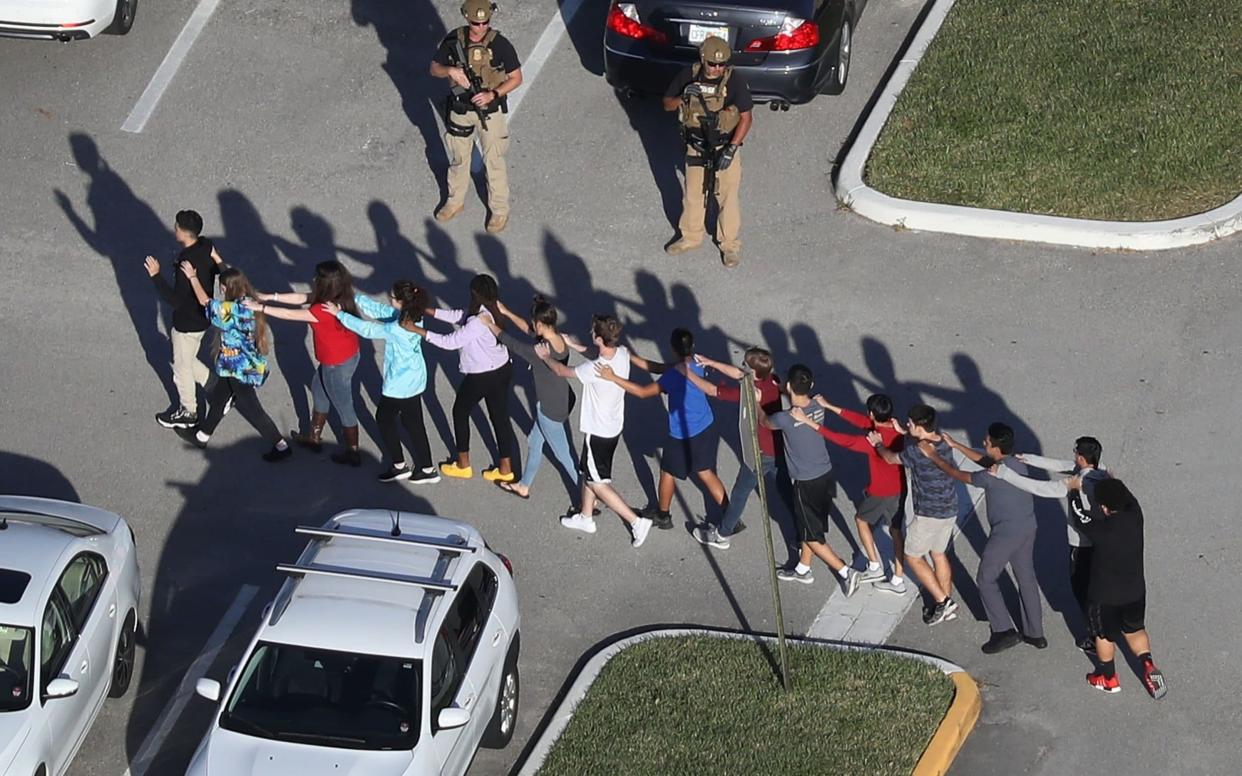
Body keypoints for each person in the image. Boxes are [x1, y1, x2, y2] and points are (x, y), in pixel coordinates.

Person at [923, 424, 1046, 653]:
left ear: (997, 448)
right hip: (1028, 526)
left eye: (987, 442)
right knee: (1026, 577)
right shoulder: (1017, 463)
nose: (983, 443)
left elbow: (958, 474)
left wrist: (933, 456)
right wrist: (956, 445)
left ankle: (1003, 631)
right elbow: (985, 460)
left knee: (986, 579)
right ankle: (1035, 633)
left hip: (1005, 533)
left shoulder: (990, 476)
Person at [536, 315, 653, 547]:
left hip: (597, 431)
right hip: (612, 427)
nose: (590, 334)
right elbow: (596, 354)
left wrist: (546, 356)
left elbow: (561, 371)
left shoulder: (593, 369)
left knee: (598, 482)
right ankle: (586, 517)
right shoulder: (621, 353)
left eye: (593, 333)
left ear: (599, 338)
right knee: (588, 473)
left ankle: (635, 521)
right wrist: (574, 345)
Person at [599, 329, 728, 532]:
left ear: (671, 348)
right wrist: (629, 356)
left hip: (682, 435)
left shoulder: (673, 375)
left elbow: (643, 392)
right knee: (705, 472)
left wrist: (613, 377)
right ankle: (730, 516)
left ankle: (663, 515)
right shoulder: (696, 363)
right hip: (704, 426)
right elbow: (658, 367)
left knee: (667, 471)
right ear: (691, 346)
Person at [992, 436, 1109, 654]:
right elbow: (1061, 465)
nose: (1073, 457)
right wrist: (1030, 459)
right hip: (1103, 543)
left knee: (1083, 593)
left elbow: (1039, 488)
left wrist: (1005, 474)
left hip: (1081, 547)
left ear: (1081, 458)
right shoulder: (1101, 471)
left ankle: (1095, 638)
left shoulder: (1076, 485)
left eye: (1076, 453)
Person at [788, 393, 908, 594]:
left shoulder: (873, 440)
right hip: (900, 488)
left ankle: (874, 566)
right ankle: (897, 580)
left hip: (881, 492)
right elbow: (860, 421)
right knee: (896, 531)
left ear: (871, 413)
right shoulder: (896, 429)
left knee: (861, 520)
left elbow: (841, 440)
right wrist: (829, 405)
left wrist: (807, 421)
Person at [173, 263, 291, 462]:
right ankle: (202, 436)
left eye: (222, 286)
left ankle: (281, 445)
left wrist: (193, 277)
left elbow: (205, 302)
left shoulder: (229, 310)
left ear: (226, 288)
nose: (221, 289)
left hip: (237, 370)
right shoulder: (249, 302)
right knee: (219, 399)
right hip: (247, 364)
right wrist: (218, 258)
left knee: (255, 411)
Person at [248, 261, 362, 465]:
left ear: (325, 283)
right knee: (319, 391)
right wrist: (270, 296)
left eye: (317, 277)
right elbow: (303, 298)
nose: (313, 280)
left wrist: (260, 307)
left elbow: (291, 313)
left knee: (344, 406)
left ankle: (353, 452)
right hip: (347, 355)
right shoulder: (340, 295)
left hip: (335, 363)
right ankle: (314, 438)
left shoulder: (321, 310)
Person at [325, 282, 439, 484]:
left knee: (384, 419)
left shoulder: (397, 327)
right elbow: (381, 311)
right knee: (415, 424)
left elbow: (367, 330)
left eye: (392, 297)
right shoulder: (413, 316)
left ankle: (399, 465)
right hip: (415, 379)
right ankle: (428, 468)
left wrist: (339, 314)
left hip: (399, 384)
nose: (389, 299)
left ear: (402, 302)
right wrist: (356, 299)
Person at [406, 274, 516, 482]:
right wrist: (428, 310)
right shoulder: (491, 310)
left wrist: (417, 330)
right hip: (502, 369)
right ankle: (505, 468)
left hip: (483, 375)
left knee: (460, 411)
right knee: (499, 417)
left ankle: (463, 464)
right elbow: (458, 316)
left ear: (475, 295)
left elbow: (450, 342)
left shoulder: (476, 321)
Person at [764, 366, 859, 596]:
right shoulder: (818, 406)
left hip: (805, 481)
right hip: (824, 474)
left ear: (788, 386)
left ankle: (845, 571)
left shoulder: (784, 418)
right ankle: (803, 568)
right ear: (812, 386)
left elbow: (766, 422)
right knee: (810, 526)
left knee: (811, 535)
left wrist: (760, 401)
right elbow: (799, 402)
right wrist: (784, 389)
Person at [430, 0, 523, 234]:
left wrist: (493, 93)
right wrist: (450, 71)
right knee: (459, 158)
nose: (481, 27)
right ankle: (454, 201)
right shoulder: (454, 40)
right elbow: (434, 68)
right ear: (466, 18)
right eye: (475, 22)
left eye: (485, 22)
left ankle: (499, 210)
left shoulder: (500, 44)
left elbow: (516, 78)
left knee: (494, 162)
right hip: (460, 110)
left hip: (489, 113)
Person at [1070, 478, 1166, 698]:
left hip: (1105, 597)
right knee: (1134, 629)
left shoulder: (1100, 530)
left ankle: (1108, 677)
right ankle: (1147, 662)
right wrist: (1113, 481)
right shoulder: (1136, 516)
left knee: (1103, 635)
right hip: (1134, 592)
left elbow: (1079, 517)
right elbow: (1127, 496)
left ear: (1104, 507)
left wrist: (1074, 492)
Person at [479, 296, 580, 505]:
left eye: (535, 323)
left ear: (541, 324)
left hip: (549, 409)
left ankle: (587, 498)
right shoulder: (559, 339)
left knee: (564, 455)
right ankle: (523, 485)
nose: (532, 326)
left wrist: (490, 324)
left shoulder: (540, 352)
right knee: (534, 441)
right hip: (563, 400)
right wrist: (506, 312)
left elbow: (512, 343)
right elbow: (528, 330)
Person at [662, 36, 753, 267]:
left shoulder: (734, 81)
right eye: (712, 63)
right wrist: (684, 94)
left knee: (727, 196)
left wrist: (731, 149)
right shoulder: (688, 75)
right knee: (693, 193)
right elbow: (666, 104)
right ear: (703, 59)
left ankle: (729, 245)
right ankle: (690, 237)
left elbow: (746, 118)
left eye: (721, 64)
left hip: (724, 145)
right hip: (696, 145)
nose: (717, 68)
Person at [679, 348, 782, 550]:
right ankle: (802, 534)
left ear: (753, 372)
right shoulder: (771, 380)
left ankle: (722, 535)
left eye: (745, 364)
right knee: (787, 490)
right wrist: (711, 362)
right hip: (779, 447)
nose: (741, 366)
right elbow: (739, 374)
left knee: (740, 493)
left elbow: (712, 390)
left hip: (760, 453)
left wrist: (687, 373)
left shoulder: (752, 392)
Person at [870, 404, 959, 625]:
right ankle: (945, 601)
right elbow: (920, 445)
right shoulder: (943, 441)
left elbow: (891, 458)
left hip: (929, 513)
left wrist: (878, 443)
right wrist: (906, 433)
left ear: (920, 426)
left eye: (910, 423)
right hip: (949, 508)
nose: (906, 425)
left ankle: (942, 601)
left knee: (912, 556)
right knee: (938, 554)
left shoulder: (916, 452)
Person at [144, 209, 224, 429]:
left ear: (184, 233)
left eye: (177, 226)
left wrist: (156, 275)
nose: (174, 229)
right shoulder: (206, 245)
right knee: (186, 359)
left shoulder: (185, 264)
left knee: (181, 368)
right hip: (203, 317)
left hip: (186, 323)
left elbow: (175, 300)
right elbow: (219, 268)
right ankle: (218, 390)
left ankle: (188, 411)